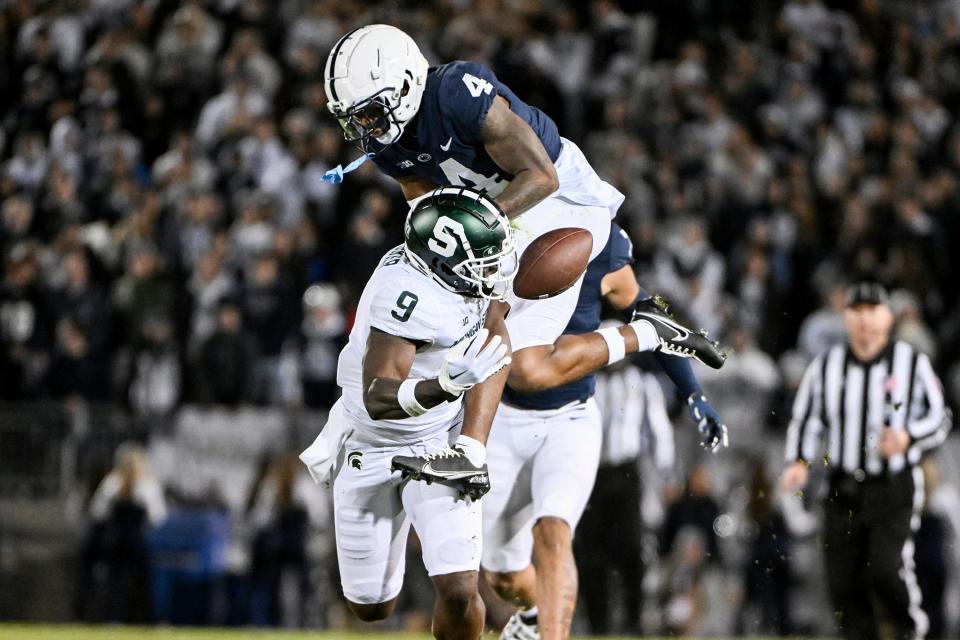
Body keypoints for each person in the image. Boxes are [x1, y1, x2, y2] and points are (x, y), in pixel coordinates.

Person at [323, 24, 725, 488]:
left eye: (370, 113)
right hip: (501, 212)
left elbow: (542, 175)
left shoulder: (456, 92)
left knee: (489, 292)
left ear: (406, 85)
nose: (364, 129)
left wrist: (479, 224)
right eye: (353, 119)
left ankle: (469, 453)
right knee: (525, 367)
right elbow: (424, 201)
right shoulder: (388, 145)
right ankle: (649, 333)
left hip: (560, 201)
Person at [473, 224, 727, 640]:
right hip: (502, 417)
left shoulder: (602, 240)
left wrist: (694, 394)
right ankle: (536, 614)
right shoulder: (498, 224)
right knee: (502, 575)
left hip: (570, 419)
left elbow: (650, 308)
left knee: (554, 531)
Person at [299, 189, 517, 638]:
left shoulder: (453, 275)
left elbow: (496, 328)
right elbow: (380, 398)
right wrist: (447, 384)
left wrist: (470, 446)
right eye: (481, 262)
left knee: (458, 588)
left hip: (437, 442)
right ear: (442, 263)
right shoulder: (405, 295)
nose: (493, 272)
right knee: (372, 608)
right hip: (372, 444)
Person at [781, 282, 952, 640]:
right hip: (842, 488)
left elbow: (940, 415)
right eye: (857, 312)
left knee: (885, 569)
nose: (865, 321)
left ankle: (908, 631)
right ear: (846, 318)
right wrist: (799, 461)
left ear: (888, 318)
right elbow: (808, 417)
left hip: (891, 487)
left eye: (873, 311)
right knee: (842, 585)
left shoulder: (911, 362)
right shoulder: (827, 367)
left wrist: (909, 435)